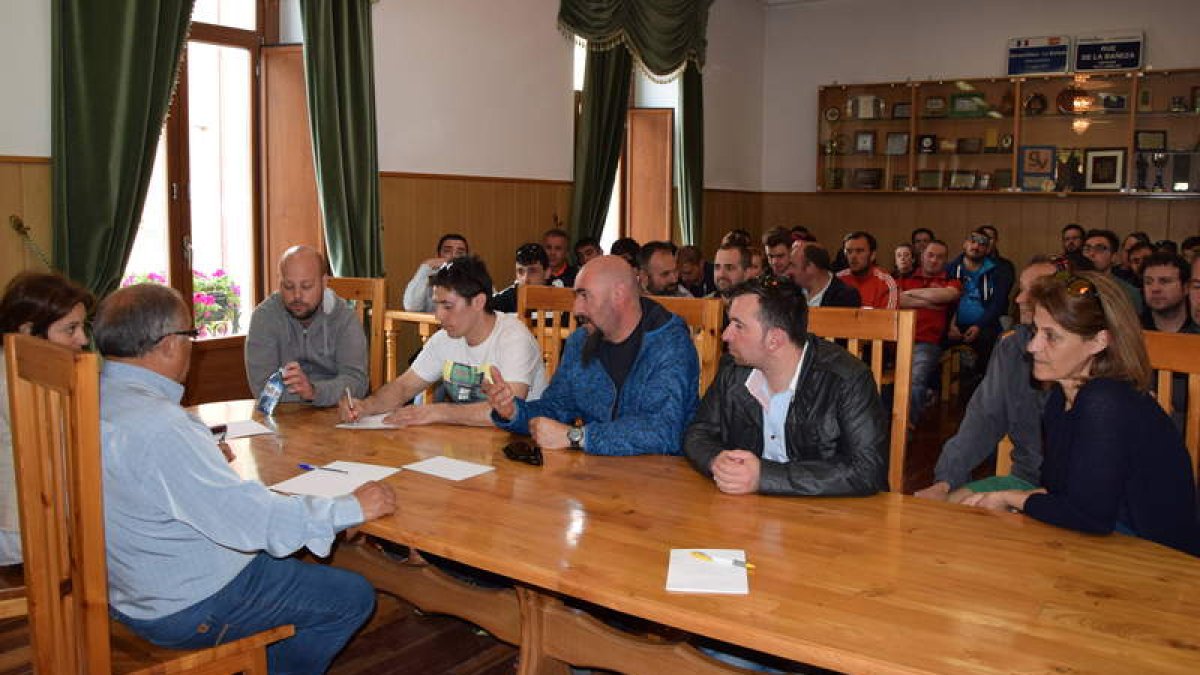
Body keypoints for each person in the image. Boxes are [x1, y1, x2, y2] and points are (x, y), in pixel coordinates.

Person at [95, 283, 397, 671]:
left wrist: (199, 459)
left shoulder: (94, 399)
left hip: (125, 587)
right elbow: (257, 523)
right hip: (185, 605)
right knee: (351, 595)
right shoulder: (164, 426)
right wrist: (352, 507)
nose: (192, 348)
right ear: (169, 344)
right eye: (191, 337)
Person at [960, 271, 1200, 557]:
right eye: (1036, 331)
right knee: (965, 504)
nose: (1032, 346)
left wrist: (1012, 496)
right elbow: (1059, 491)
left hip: (1154, 559)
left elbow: (1089, 517)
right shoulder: (1061, 396)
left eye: (1052, 337)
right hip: (1104, 538)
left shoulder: (1104, 402)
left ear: (1099, 341)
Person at [683, 277, 888, 496]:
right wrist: (716, 460)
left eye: (738, 326)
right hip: (749, 512)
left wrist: (764, 476)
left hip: (833, 516)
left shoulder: (847, 379)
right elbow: (698, 433)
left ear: (774, 340)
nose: (726, 335)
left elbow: (867, 470)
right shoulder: (733, 371)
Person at [484, 256, 699, 456]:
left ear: (619, 294)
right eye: (576, 296)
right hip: (593, 474)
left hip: (660, 480)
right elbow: (557, 407)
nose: (576, 309)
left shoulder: (669, 344)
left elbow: (663, 431)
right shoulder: (580, 341)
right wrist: (513, 412)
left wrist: (576, 437)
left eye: (584, 296)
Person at [341, 256, 547, 427]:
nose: (439, 316)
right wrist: (365, 406)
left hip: (520, 444)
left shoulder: (513, 337)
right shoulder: (446, 338)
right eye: (437, 305)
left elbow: (510, 409)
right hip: (467, 444)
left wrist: (438, 411)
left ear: (478, 302)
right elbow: (403, 387)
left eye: (447, 306)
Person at [914, 258, 1057, 502]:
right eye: (1021, 289)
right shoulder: (1013, 345)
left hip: (1072, 492)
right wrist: (946, 480)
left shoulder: (1097, 366)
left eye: (1034, 291)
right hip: (1025, 480)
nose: (1019, 299)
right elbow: (984, 416)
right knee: (943, 507)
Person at [0, 271, 93, 566]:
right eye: (70, 329)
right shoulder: (16, 385)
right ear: (28, 332)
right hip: (20, 535)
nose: (83, 339)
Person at [244, 245, 368, 407]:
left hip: (336, 416)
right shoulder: (264, 318)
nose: (297, 295)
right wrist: (305, 395)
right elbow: (264, 391)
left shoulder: (344, 318)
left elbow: (357, 383)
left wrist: (315, 392)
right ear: (279, 283)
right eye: (288, 286)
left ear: (324, 282)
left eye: (306, 286)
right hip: (283, 419)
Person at [898, 240, 961, 426]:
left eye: (940, 257)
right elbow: (896, 300)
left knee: (915, 379)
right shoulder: (902, 278)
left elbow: (948, 295)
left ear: (945, 261)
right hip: (894, 339)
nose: (934, 260)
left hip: (926, 342)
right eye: (930, 255)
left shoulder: (951, 282)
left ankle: (904, 427)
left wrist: (910, 295)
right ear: (921, 256)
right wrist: (930, 300)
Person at [946, 228, 1012, 370]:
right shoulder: (950, 269)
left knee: (991, 344)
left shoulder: (998, 271)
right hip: (952, 324)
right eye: (972, 241)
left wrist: (979, 326)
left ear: (987, 249)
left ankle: (981, 384)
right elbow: (944, 301)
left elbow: (998, 303)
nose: (976, 246)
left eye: (982, 244)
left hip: (985, 325)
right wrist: (950, 325)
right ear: (964, 244)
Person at [403, 233, 469, 312]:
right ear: (439, 255)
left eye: (460, 253)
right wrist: (425, 267)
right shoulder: (430, 280)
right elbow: (411, 307)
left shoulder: (476, 282)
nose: (453, 256)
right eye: (447, 251)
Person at [1083, 229, 1143, 312]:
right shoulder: (1072, 286)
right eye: (1087, 249)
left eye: (1099, 249)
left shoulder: (1127, 292)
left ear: (1114, 257)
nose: (1091, 254)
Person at [786, 241, 861, 308]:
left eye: (793, 265)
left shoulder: (846, 296)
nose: (788, 271)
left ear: (810, 266)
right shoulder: (789, 292)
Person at [836, 231, 898, 309]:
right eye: (849, 251)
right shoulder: (837, 280)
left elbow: (889, 319)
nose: (853, 256)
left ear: (872, 255)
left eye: (859, 251)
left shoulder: (886, 283)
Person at [1140, 252, 1197, 333]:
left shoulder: (1197, 325)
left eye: (1165, 281)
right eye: (1148, 282)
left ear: (1186, 287)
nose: (1155, 289)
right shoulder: (1133, 328)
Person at [492, 242, 554, 314]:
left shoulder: (562, 296)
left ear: (547, 273)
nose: (525, 279)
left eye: (532, 271)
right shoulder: (508, 298)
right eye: (520, 271)